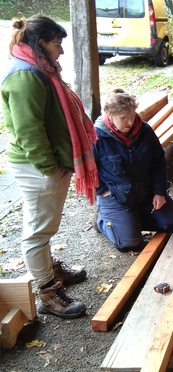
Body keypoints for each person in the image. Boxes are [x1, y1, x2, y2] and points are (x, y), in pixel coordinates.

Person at [1, 15, 97, 318]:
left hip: (47, 164)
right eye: (58, 44)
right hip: (37, 167)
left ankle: (50, 269)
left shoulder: (40, 68)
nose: (62, 52)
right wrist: (49, 167)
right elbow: (29, 131)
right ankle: (48, 292)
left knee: (46, 225)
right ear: (40, 43)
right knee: (38, 230)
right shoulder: (26, 76)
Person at [93, 89, 173, 251]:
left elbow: (159, 162)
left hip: (144, 192)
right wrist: (102, 190)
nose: (129, 123)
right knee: (129, 243)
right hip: (116, 196)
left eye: (132, 116)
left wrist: (159, 192)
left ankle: (130, 220)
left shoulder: (145, 131)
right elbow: (87, 169)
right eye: (123, 118)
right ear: (109, 114)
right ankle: (102, 221)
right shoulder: (96, 135)